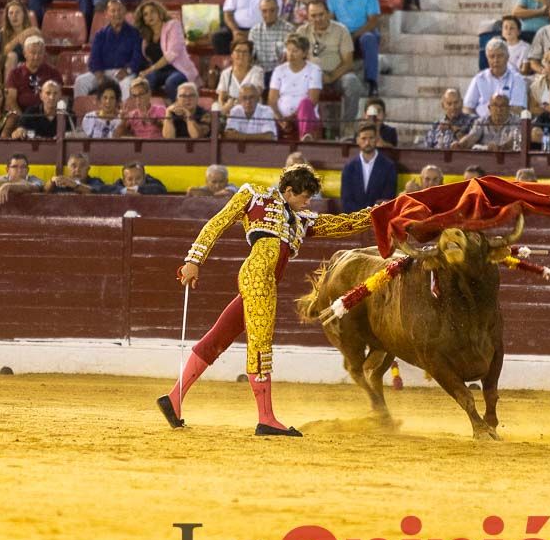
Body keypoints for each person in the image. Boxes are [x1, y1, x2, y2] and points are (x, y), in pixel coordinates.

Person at [163, 164, 375, 437]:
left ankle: (173, 399)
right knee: (260, 344)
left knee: (218, 338)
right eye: (304, 197)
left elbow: (342, 224)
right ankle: (266, 418)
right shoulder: (254, 194)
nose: (308, 203)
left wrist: (380, 213)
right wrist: (193, 260)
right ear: (288, 191)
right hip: (258, 277)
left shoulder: (301, 220)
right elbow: (218, 222)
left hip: (264, 281)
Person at [296, 0, 364, 134]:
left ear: (328, 14)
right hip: (309, 77)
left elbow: (348, 62)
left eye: (321, 14)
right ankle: (305, 128)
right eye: (313, 16)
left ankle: (348, 126)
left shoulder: (341, 30)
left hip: (336, 75)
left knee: (352, 82)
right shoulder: (302, 32)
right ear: (308, 16)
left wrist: (330, 77)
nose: (317, 19)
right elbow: (297, 58)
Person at [327, 0, 381, 95]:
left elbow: (373, 21)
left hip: (363, 32)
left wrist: (354, 35)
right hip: (342, 34)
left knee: (368, 38)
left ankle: (371, 82)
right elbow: (330, 20)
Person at [74, 0, 144, 97]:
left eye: (119, 10)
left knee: (127, 83)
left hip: (125, 72)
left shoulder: (135, 33)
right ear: (107, 14)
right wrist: (100, 76)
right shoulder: (100, 35)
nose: (117, 14)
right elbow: (94, 60)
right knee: (80, 81)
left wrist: (127, 70)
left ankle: (123, 112)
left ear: (125, 11)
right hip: (103, 72)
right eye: (113, 11)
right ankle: (81, 111)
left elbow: (137, 58)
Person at [136, 0, 200, 100]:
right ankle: (148, 112)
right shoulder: (146, 37)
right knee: (145, 82)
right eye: (145, 14)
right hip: (159, 71)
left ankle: (177, 112)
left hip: (179, 70)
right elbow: (147, 58)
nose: (150, 16)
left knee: (171, 82)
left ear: (159, 12)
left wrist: (150, 69)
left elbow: (172, 54)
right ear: (144, 20)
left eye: (152, 11)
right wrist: (144, 73)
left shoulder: (173, 25)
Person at [267, 32, 321, 140]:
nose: (291, 54)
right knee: (266, 110)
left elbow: (313, 100)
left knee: (305, 103)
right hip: (281, 117)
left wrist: (291, 118)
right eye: (288, 50)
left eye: (295, 51)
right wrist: (281, 120)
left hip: (304, 116)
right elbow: (272, 101)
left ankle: (306, 137)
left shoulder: (314, 70)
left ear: (305, 53)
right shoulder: (279, 70)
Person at [462, 38, 527, 120]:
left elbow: (517, 109)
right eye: (492, 56)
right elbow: (467, 108)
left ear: (507, 57)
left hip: (508, 125)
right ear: (487, 58)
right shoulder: (479, 79)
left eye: (500, 56)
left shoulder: (517, 79)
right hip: (481, 126)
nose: (495, 60)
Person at [340, 125, 395, 212]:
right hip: (355, 221)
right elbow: (346, 200)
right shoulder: (349, 167)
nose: (367, 142)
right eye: (364, 138)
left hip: (378, 219)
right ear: (358, 140)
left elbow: (388, 198)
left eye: (371, 138)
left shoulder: (388, 167)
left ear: (376, 139)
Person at [6, 35, 63, 110]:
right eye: (33, 53)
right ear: (25, 54)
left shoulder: (53, 73)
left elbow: (57, 98)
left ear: (44, 54)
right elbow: (11, 101)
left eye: (40, 53)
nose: (36, 57)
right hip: (22, 115)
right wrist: (23, 119)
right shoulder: (14, 74)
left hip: (46, 115)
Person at [248, 0, 295, 82]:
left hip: (281, 73)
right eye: (264, 11)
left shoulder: (289, 29)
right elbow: (251, 56)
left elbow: (289, 57)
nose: (268, 14)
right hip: (260, 73)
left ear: (278, 10)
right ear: (260, 12)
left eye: (272, 10)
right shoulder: (254, 31)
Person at [216, 39, 265, 112]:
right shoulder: (226, 73)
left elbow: (256, 94)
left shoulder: (257, 72)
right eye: (238, 51)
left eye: (245, 52)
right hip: (230, 112)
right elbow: (221, 98)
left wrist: (234, 103)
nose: (241, 55)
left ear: (250, 56)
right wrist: (224, 109)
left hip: (251, 111)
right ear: (232, 55)